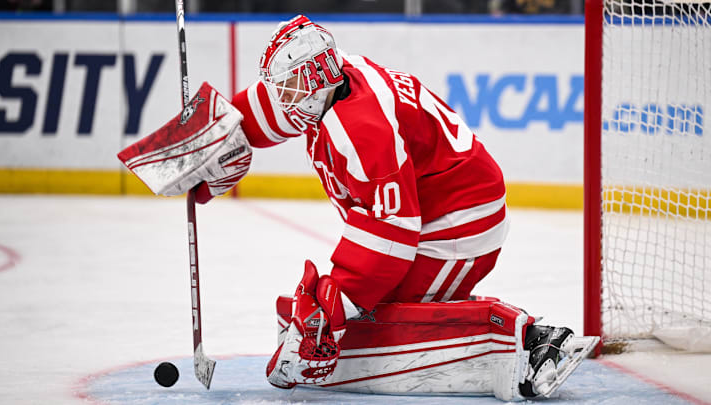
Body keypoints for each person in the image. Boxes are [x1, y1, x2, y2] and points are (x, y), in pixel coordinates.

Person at [121, 14, 598, 401]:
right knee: (346, 315)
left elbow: (392, 234)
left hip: (459, 223)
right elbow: (267, 108)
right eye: (283, 88)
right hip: (429, 210)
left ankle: (528, 340)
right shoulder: (330, 78)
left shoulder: (363, 129)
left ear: (314, 84)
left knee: (373, 319)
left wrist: (337, 301)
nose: (282, 98)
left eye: (289, 90)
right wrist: (212, 137)